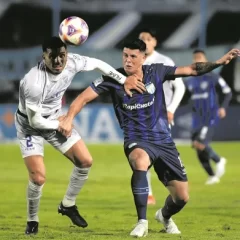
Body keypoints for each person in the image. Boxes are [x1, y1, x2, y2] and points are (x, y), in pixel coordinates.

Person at [58, 39, 239, 237]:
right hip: (136, 139)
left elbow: (192, 69)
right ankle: (141, 221)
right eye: (125, 55)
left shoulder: (156, 71)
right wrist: (68, 118)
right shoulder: (113, 77)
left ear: (143, 58)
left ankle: (164, 216)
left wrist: (219, 62)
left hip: (163, 140)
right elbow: (83, 97)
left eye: (133, 56)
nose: (128, 60)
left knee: (182, 197)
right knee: (139, 159)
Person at [15, 36, 145, 235]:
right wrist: (61, 124)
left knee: (85, 161)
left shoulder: (73, 61)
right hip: (30, 125)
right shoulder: (33, 81)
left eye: (62, 56)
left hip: (55, 119)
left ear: (67, 54)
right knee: (38, 178)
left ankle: (67, 205)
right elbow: (35, 122)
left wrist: (123, 79)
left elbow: (98, 64)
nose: (58, 61)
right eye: (52, 57)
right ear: (44, 56)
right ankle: (32, 220)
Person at [139, 28, 185, 205]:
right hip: (140, 117)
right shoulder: (135, 60)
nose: (145, 42)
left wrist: (171, 109)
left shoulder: (164, 61)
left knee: (162, 158)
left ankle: (175, 193)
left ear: (155, 42)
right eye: (141, 39)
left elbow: (179, 87)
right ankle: (148, 193)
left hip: (161, 118)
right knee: (142, 157)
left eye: (148, 39)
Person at [184, 49, 232, 185]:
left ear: (205, 59)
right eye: (195, 58)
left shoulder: (213, 77)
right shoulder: (190, 80)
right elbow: (186, 98)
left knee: (200, 142)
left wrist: (223, 107)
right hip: (196, 118)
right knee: (196, 145)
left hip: (210, 115)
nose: (197, 60)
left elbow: (227, 92)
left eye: (200, 57)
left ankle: (219, 160)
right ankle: (212, 176)